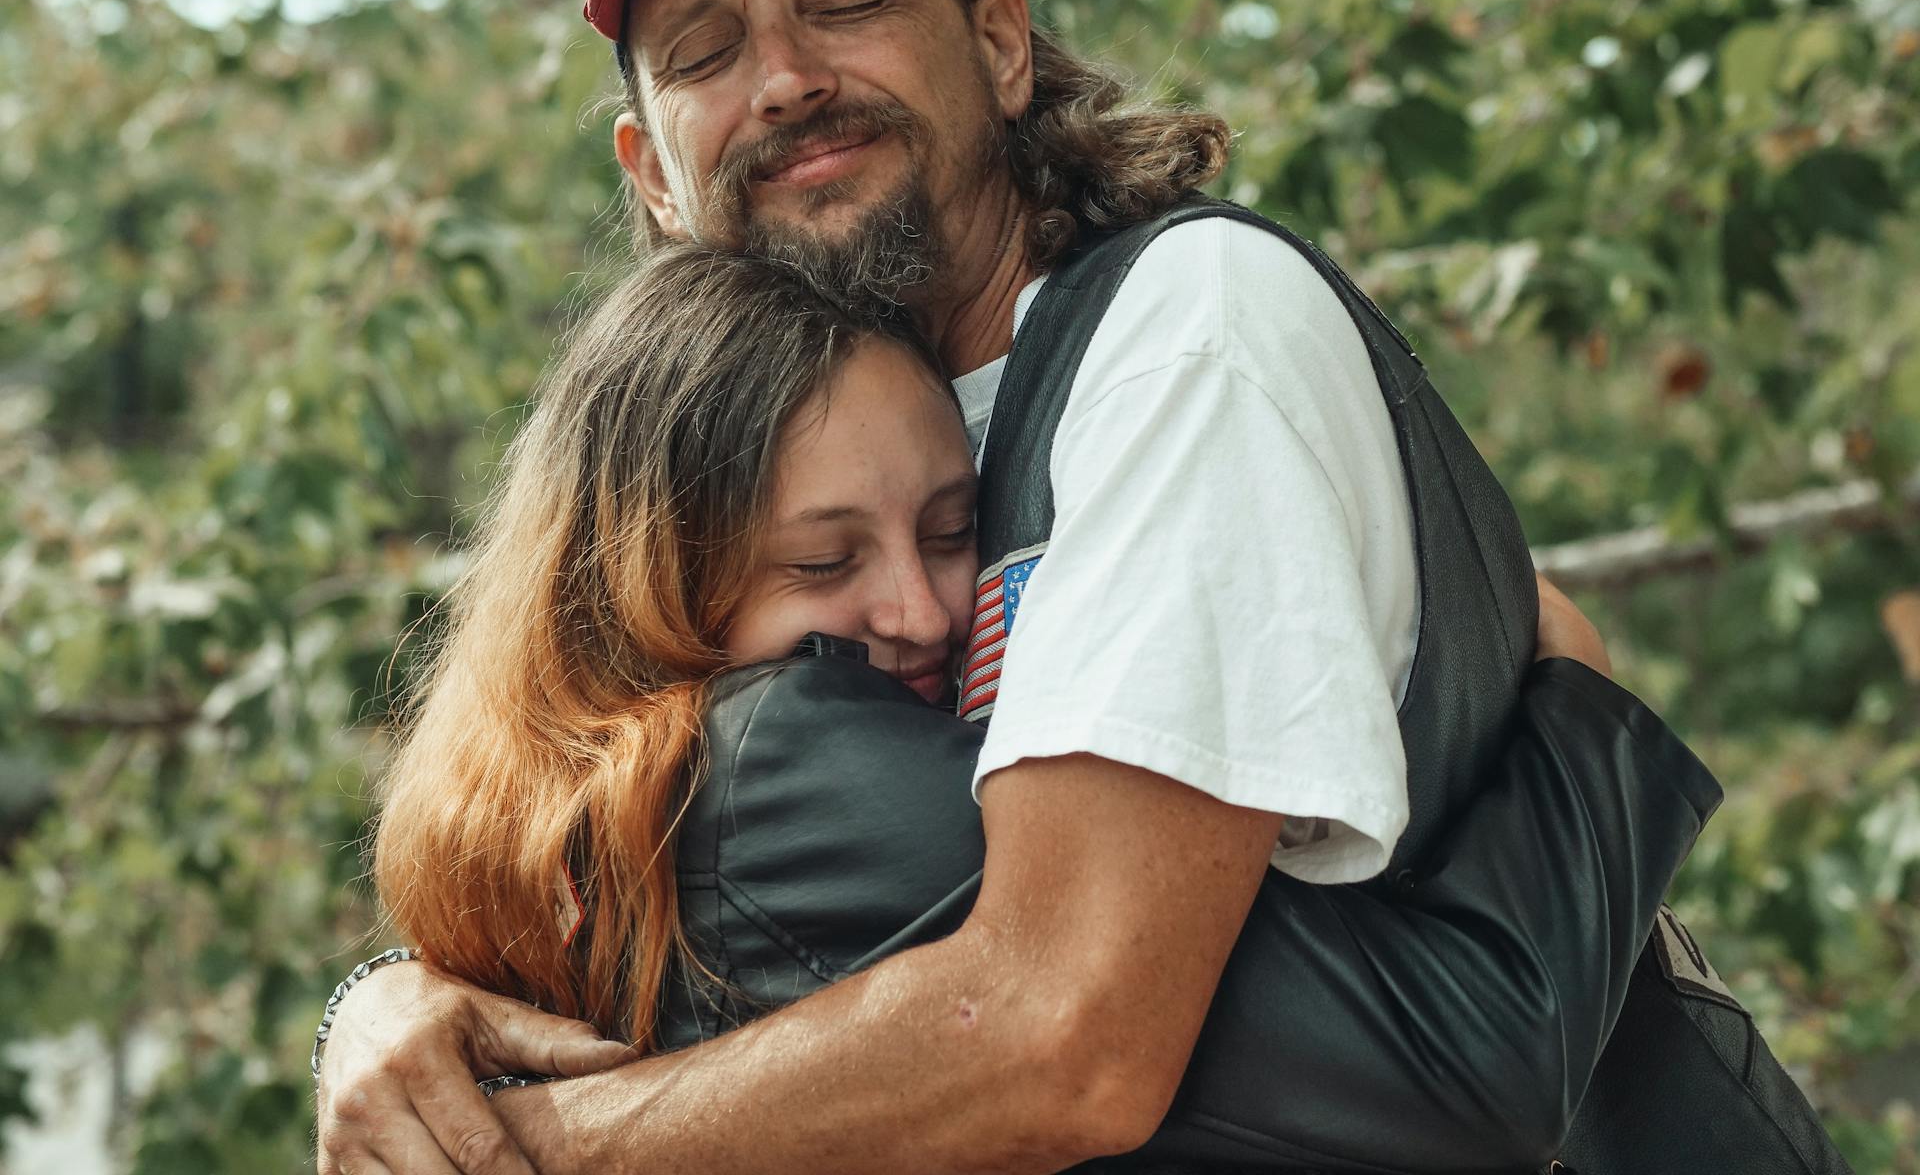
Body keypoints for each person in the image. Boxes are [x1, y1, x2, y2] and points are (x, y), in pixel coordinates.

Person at [315, 0, 1845, 1175]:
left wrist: (534, 1148)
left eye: (842, 5)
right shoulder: (816, 470)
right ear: (652, 171)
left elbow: (1066, 1038)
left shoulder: (1176, 344)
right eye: (705, 55)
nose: (780, 80)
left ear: (997, 45)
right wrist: (399, 998)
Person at [361, 242, 1703, 1175]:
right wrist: (1575, 695)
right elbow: (1468, 1060)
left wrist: (368, 1009)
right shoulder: (773, 761)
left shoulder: (570, 821)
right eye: (823, 563)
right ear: (644, 584)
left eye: (954, 530)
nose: (921, 611)